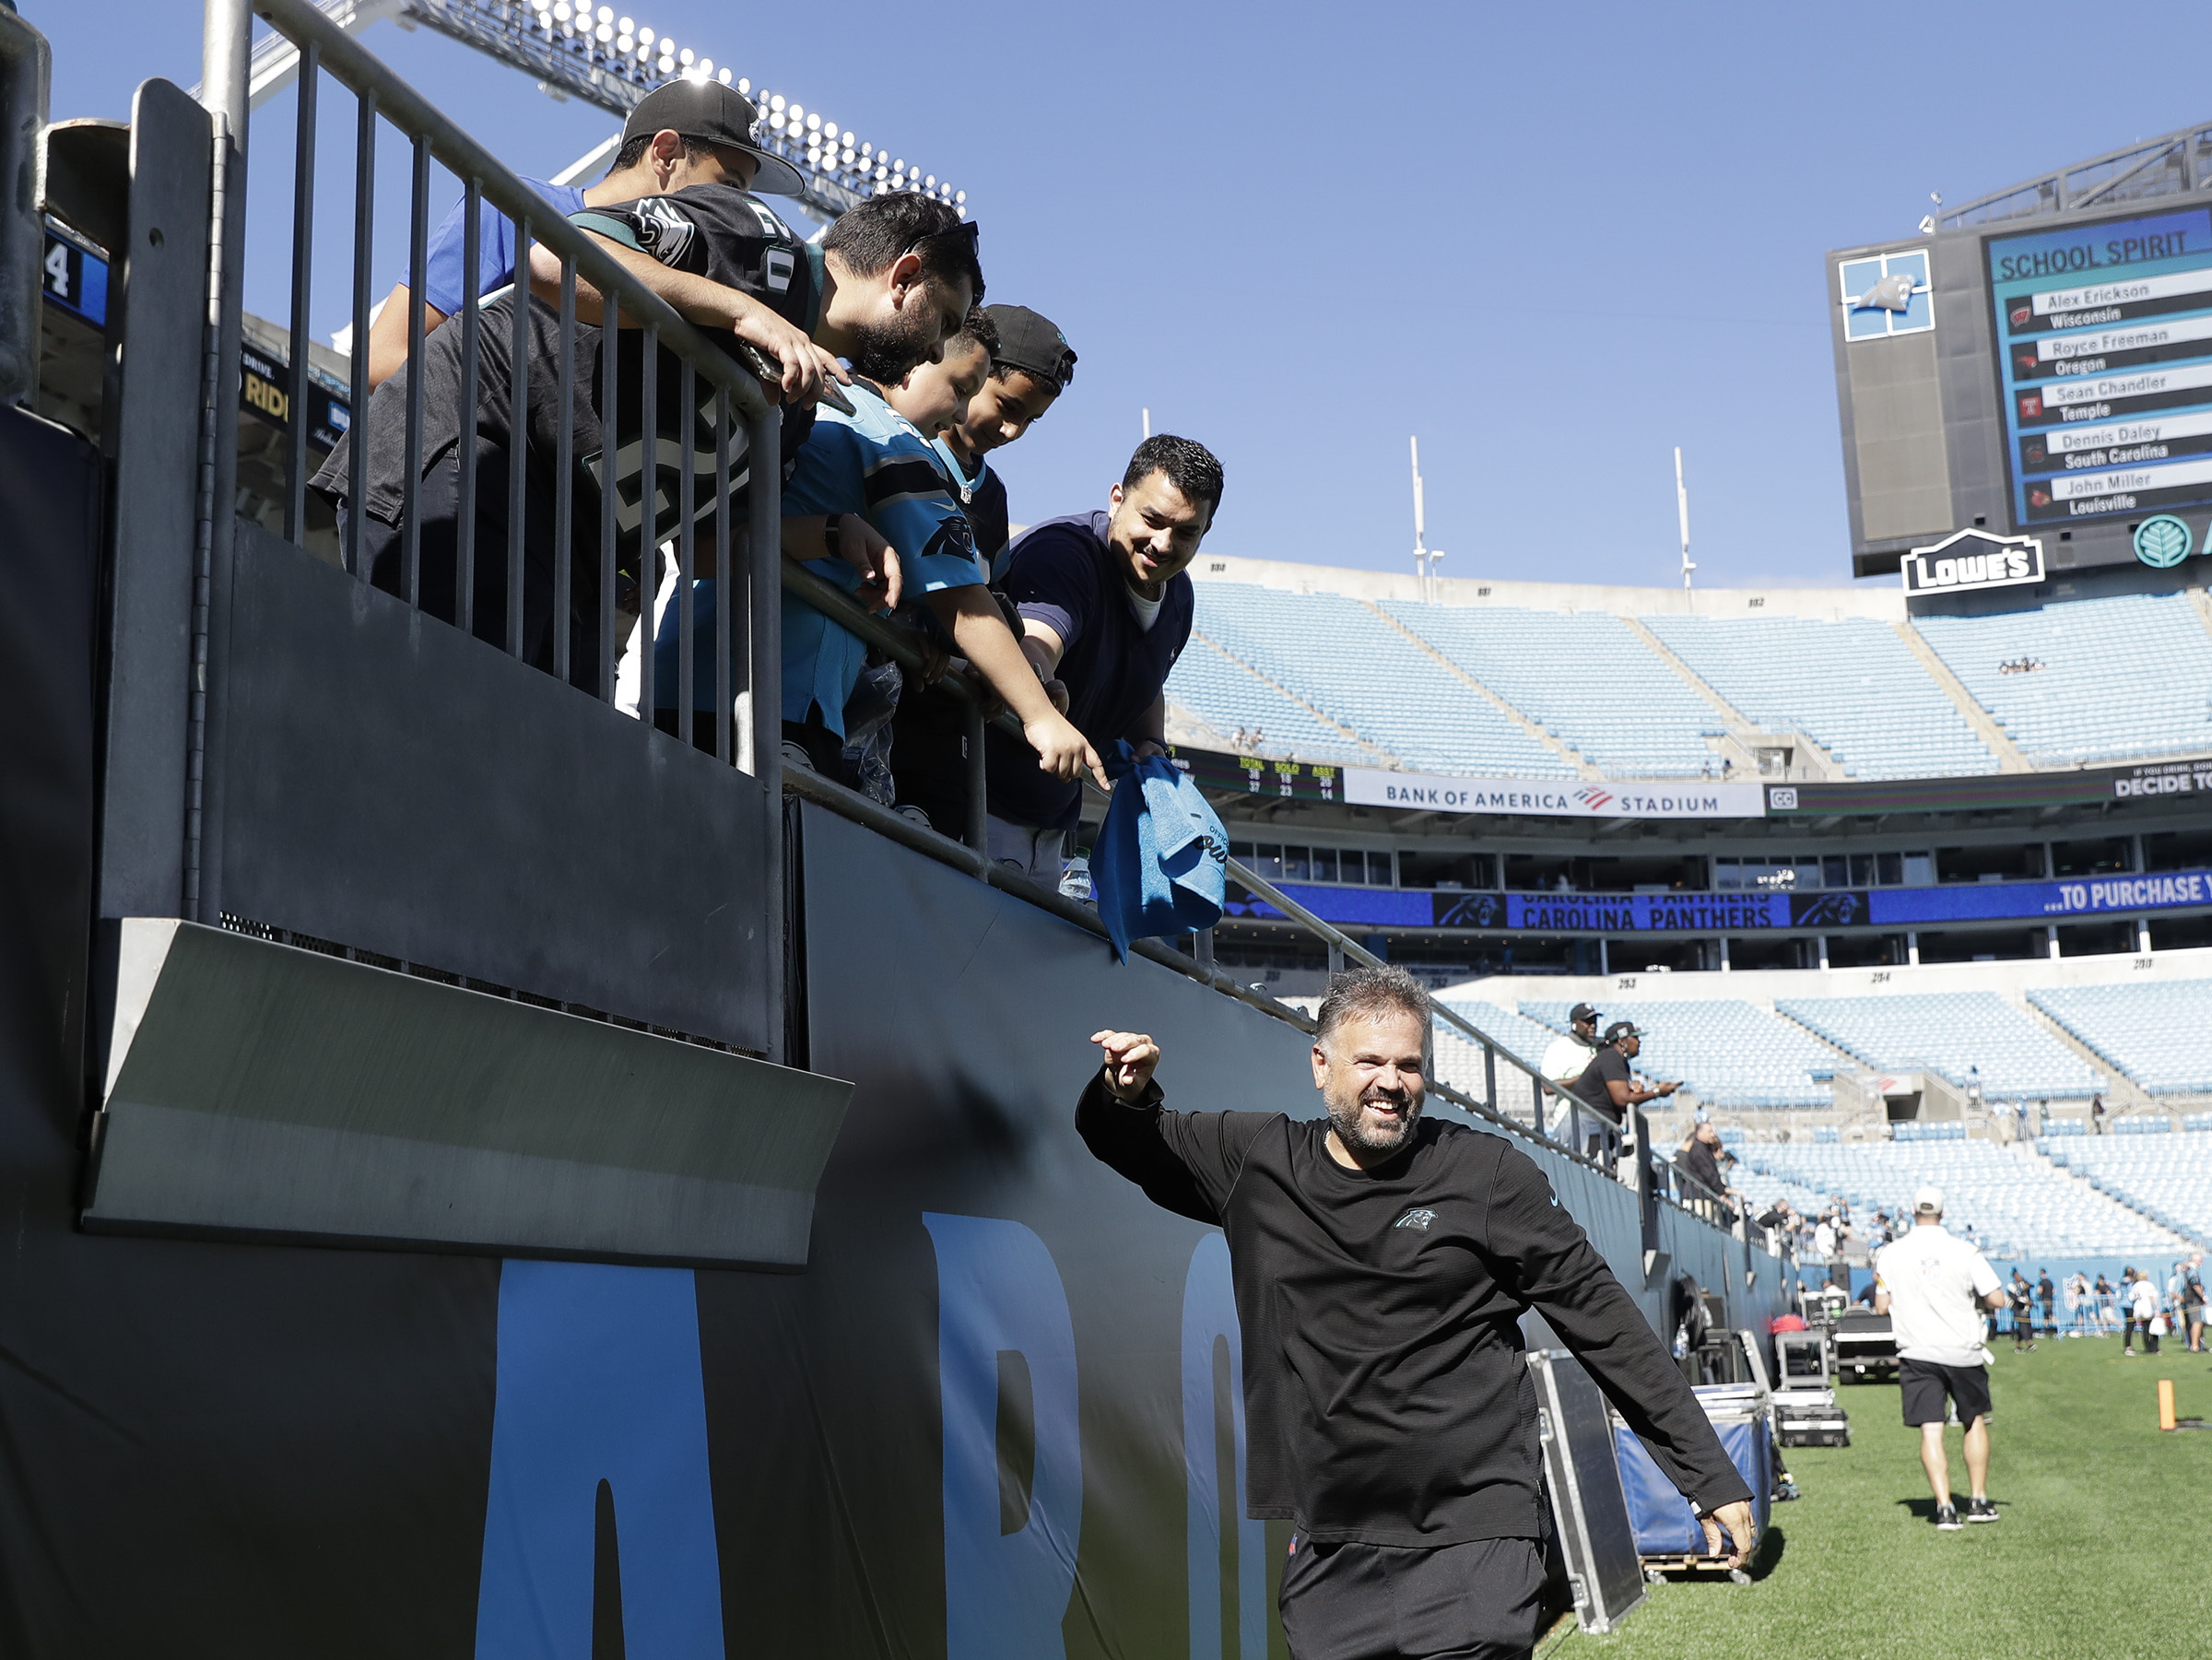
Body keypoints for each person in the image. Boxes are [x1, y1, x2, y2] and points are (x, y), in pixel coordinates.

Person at [1081, 967, 1756, 1658]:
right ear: (1320, 1064)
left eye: (1408, 1063)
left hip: (1476, 1542)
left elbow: (1604, 1321)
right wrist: (1122, 1093)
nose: (1391, 1081)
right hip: (1331, 1551)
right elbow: (1134, 1143)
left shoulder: (1488, 1175)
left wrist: (1707, 1472)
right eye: (1369, 1060)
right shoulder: (1258, 1160)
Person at [768, 307, 1102, 788]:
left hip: (744, 673)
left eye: (1031, 421)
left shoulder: (829, 396)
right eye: (966, 390)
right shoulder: (889, 434)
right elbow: (961, 601)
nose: (965, 412)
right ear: (925, 354)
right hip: (784, 686)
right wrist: (1038, 714)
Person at [362, 78, 833, 402]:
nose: (738, 211)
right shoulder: (515, 206)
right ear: (666, 155)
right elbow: (384, 360)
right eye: (728, 186)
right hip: (456, 501)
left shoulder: (684, 282)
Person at [982, 435, 1224, 879]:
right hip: (976, 805)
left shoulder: (1178, 596)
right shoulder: (1066, 553)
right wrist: (1040, 689)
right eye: (1152, 519)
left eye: (1186, 532)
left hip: (1053, 822)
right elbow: (1035, 645)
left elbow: (1148, 674)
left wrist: (1152, 740)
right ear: (1117, 499)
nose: (1163, 543)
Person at [886, 303, 1079, 834]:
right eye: (1007, 405)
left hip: (942, 742)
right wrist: (903, 632)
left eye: (1031, 420)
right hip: (870, 718)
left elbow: (990, 606)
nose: (1013, 431)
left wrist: (1027, 678)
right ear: (972, 372)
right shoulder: (899, 442)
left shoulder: (993, 495)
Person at [1874, 1186, 2007, 1529]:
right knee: (1973, 1420)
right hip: (1961, 1348)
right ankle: (1977, 1501)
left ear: (1912, 1211)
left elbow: (1881, 1305)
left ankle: (1945, 1507)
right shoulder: (1964, 1250)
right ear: (1943, 1213)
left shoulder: (1890, 1253)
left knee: (1931, 1430)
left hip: (1917, 1349)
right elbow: (1997, 1298)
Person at [1569, 1020, 1678, 1168]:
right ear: (1622, 1041)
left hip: (1596, 1128)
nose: (1639, 1042)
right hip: (1589, 1130)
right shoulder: (1611, 1057)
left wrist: (1634, 1089)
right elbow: (1622, 1099)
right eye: (1636, 1037)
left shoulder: (1616, 1060)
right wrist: (1657, 1092)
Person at [1539, 1003, 1602, 1096]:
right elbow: (1548, 1087)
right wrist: (1584, 1078)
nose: (1593, 1025)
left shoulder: (1602, 1045)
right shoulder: (1558, 1048)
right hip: (1570, 1109)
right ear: (1574, 1024)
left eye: (1594, 1021)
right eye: (1587, 1021)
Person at [2182, 1253, 2207, 1353]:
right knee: (2197, 1322)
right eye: (2200, 1261)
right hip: (2193, 1300)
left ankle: (2195, 1344)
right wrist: (2203, 1296)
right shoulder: (2192, 1271)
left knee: (2194, 1323)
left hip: (2189, 1300)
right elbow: (2195, 1285)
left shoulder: (2186, 1270)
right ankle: (2195, 1346)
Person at [2007, 1270, 2037, 1350]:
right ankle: (2030, 1344)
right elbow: (2016, 1298)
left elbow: (2031, 1286)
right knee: (2023, 1326)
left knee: (2024, 1326)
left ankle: (2018, 1347)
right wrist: (2027, 1301)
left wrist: (2026, 1285)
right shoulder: (2012, 1286)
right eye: (2017, 1275)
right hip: (2017, 1309)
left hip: (2025, 1308)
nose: (2019, 1277)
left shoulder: (2022, 1284)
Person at [2037, 1268, 2055, 1337]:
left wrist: (2038, 1295)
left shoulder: (2041, 1282)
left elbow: (2040, 1290)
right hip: (2050, 1298)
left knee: (2049, 1313)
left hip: (2045, 1299)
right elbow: (2053, 1290)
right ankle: (2046, 1327)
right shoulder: (2050, 1281)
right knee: (2047, 1314)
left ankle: (2058, 1326)